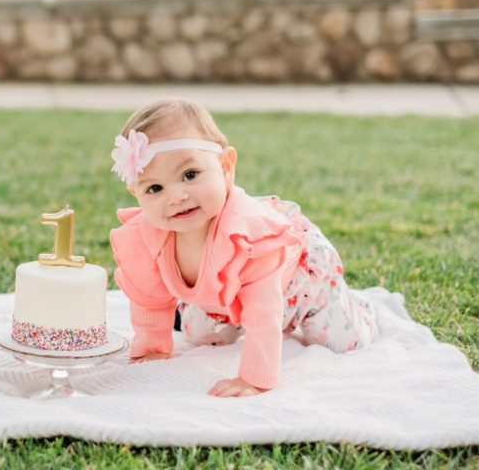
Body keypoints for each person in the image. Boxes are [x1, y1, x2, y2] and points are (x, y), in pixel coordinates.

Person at [109, 97, 378, 397]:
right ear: (136, 193)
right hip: (222, 300)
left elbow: (263, 312)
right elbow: (149, 299)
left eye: (190, 175)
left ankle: (359, 309)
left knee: (342, 341)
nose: (176, 196)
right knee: (200, 334)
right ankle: (204, 307)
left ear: (225, 166)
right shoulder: (148, 236)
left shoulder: (250, 238)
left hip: (297, 283)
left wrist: (254, 379)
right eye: (155, 188)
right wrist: (153, 350)